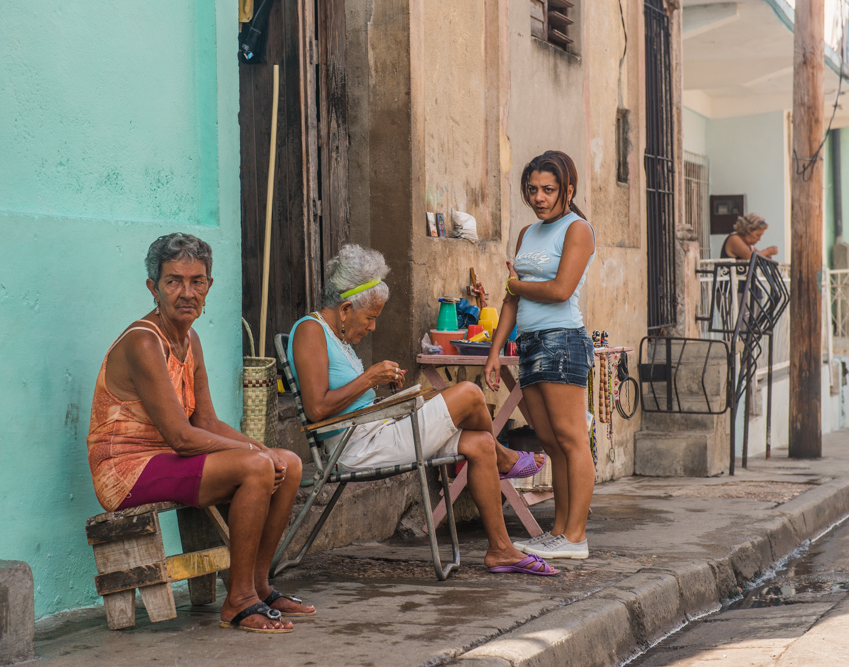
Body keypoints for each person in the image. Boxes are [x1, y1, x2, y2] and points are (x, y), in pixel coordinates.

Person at [86, 233, 313, 634]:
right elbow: (182, 437)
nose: (186, 292)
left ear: (209, 286)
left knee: (290, 463)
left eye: (197, 281)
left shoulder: (190, 339)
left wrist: (262, 449)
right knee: (258, 467)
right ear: (153, 288)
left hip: (168, 459)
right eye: (173, 281)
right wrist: (255, 456)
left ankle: (258, 586)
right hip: (126, 469)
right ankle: (238, 601)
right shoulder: (144, 341)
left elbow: (205, 423)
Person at [288, 244, 557, 576]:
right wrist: (369, 376)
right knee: (471, 394)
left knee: (479, 443)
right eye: (370, 318)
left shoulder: (337, 338)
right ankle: (506, 459)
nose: (372, 328)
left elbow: (347, 398)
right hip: (356, 447)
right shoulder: (309, 331)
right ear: (345, 309)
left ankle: (501, 549)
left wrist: (379, 388)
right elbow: (317, 409)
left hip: (375, 430)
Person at [485, 150, 596, 560]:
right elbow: (509, 298)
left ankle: (575, 537)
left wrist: (517, 286)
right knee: (550, 441)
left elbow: (560, 290)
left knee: (571, 439)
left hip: (562, 339)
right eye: (532, 190)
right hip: (529, 343)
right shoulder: (527, 234)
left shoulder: (577, 229)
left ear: (568, 189)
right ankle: (558, 532)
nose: (539, 197)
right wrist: (496, 351)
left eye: (548, 190)